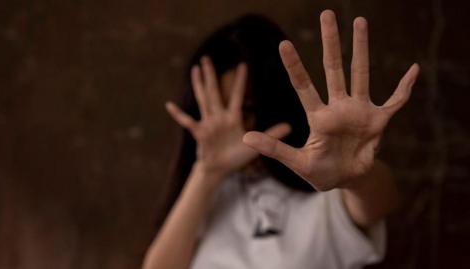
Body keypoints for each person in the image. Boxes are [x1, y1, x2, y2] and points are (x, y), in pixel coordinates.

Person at [143, 10, 419, 269]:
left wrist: (358, 177)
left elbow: (379, 201)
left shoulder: (323, 184)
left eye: (246, 109)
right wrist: (207, 172)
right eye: (214, 109)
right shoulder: (207, 199)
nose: (229, 127)